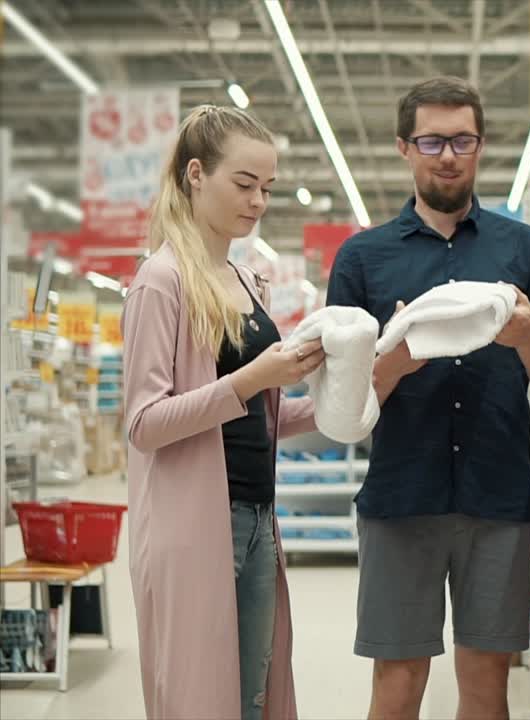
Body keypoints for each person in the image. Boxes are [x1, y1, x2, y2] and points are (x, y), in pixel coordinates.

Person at [326, 76, 530, 720]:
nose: (448, 154)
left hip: (497, 497)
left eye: (461, 140)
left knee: (486, 684)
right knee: (397, 683)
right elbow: (346, 407)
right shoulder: (362, 259)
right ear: (404, 148)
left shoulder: (526, 250)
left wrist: (526, 335)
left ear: (481, 146)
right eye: (432, 140)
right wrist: (398, 361)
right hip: (400, 497)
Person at [123, 105, 326, 720]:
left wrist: (358, 390)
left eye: (266, 187)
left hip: (258, 517)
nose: (258, 201)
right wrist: (249, 379)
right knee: (199, 697)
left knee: (252, 694)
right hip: (193, 524)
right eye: (243, 184)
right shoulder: (160, 282)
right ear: (194, 175)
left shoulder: (244, 279)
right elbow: (144, 424)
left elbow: (263, 418)